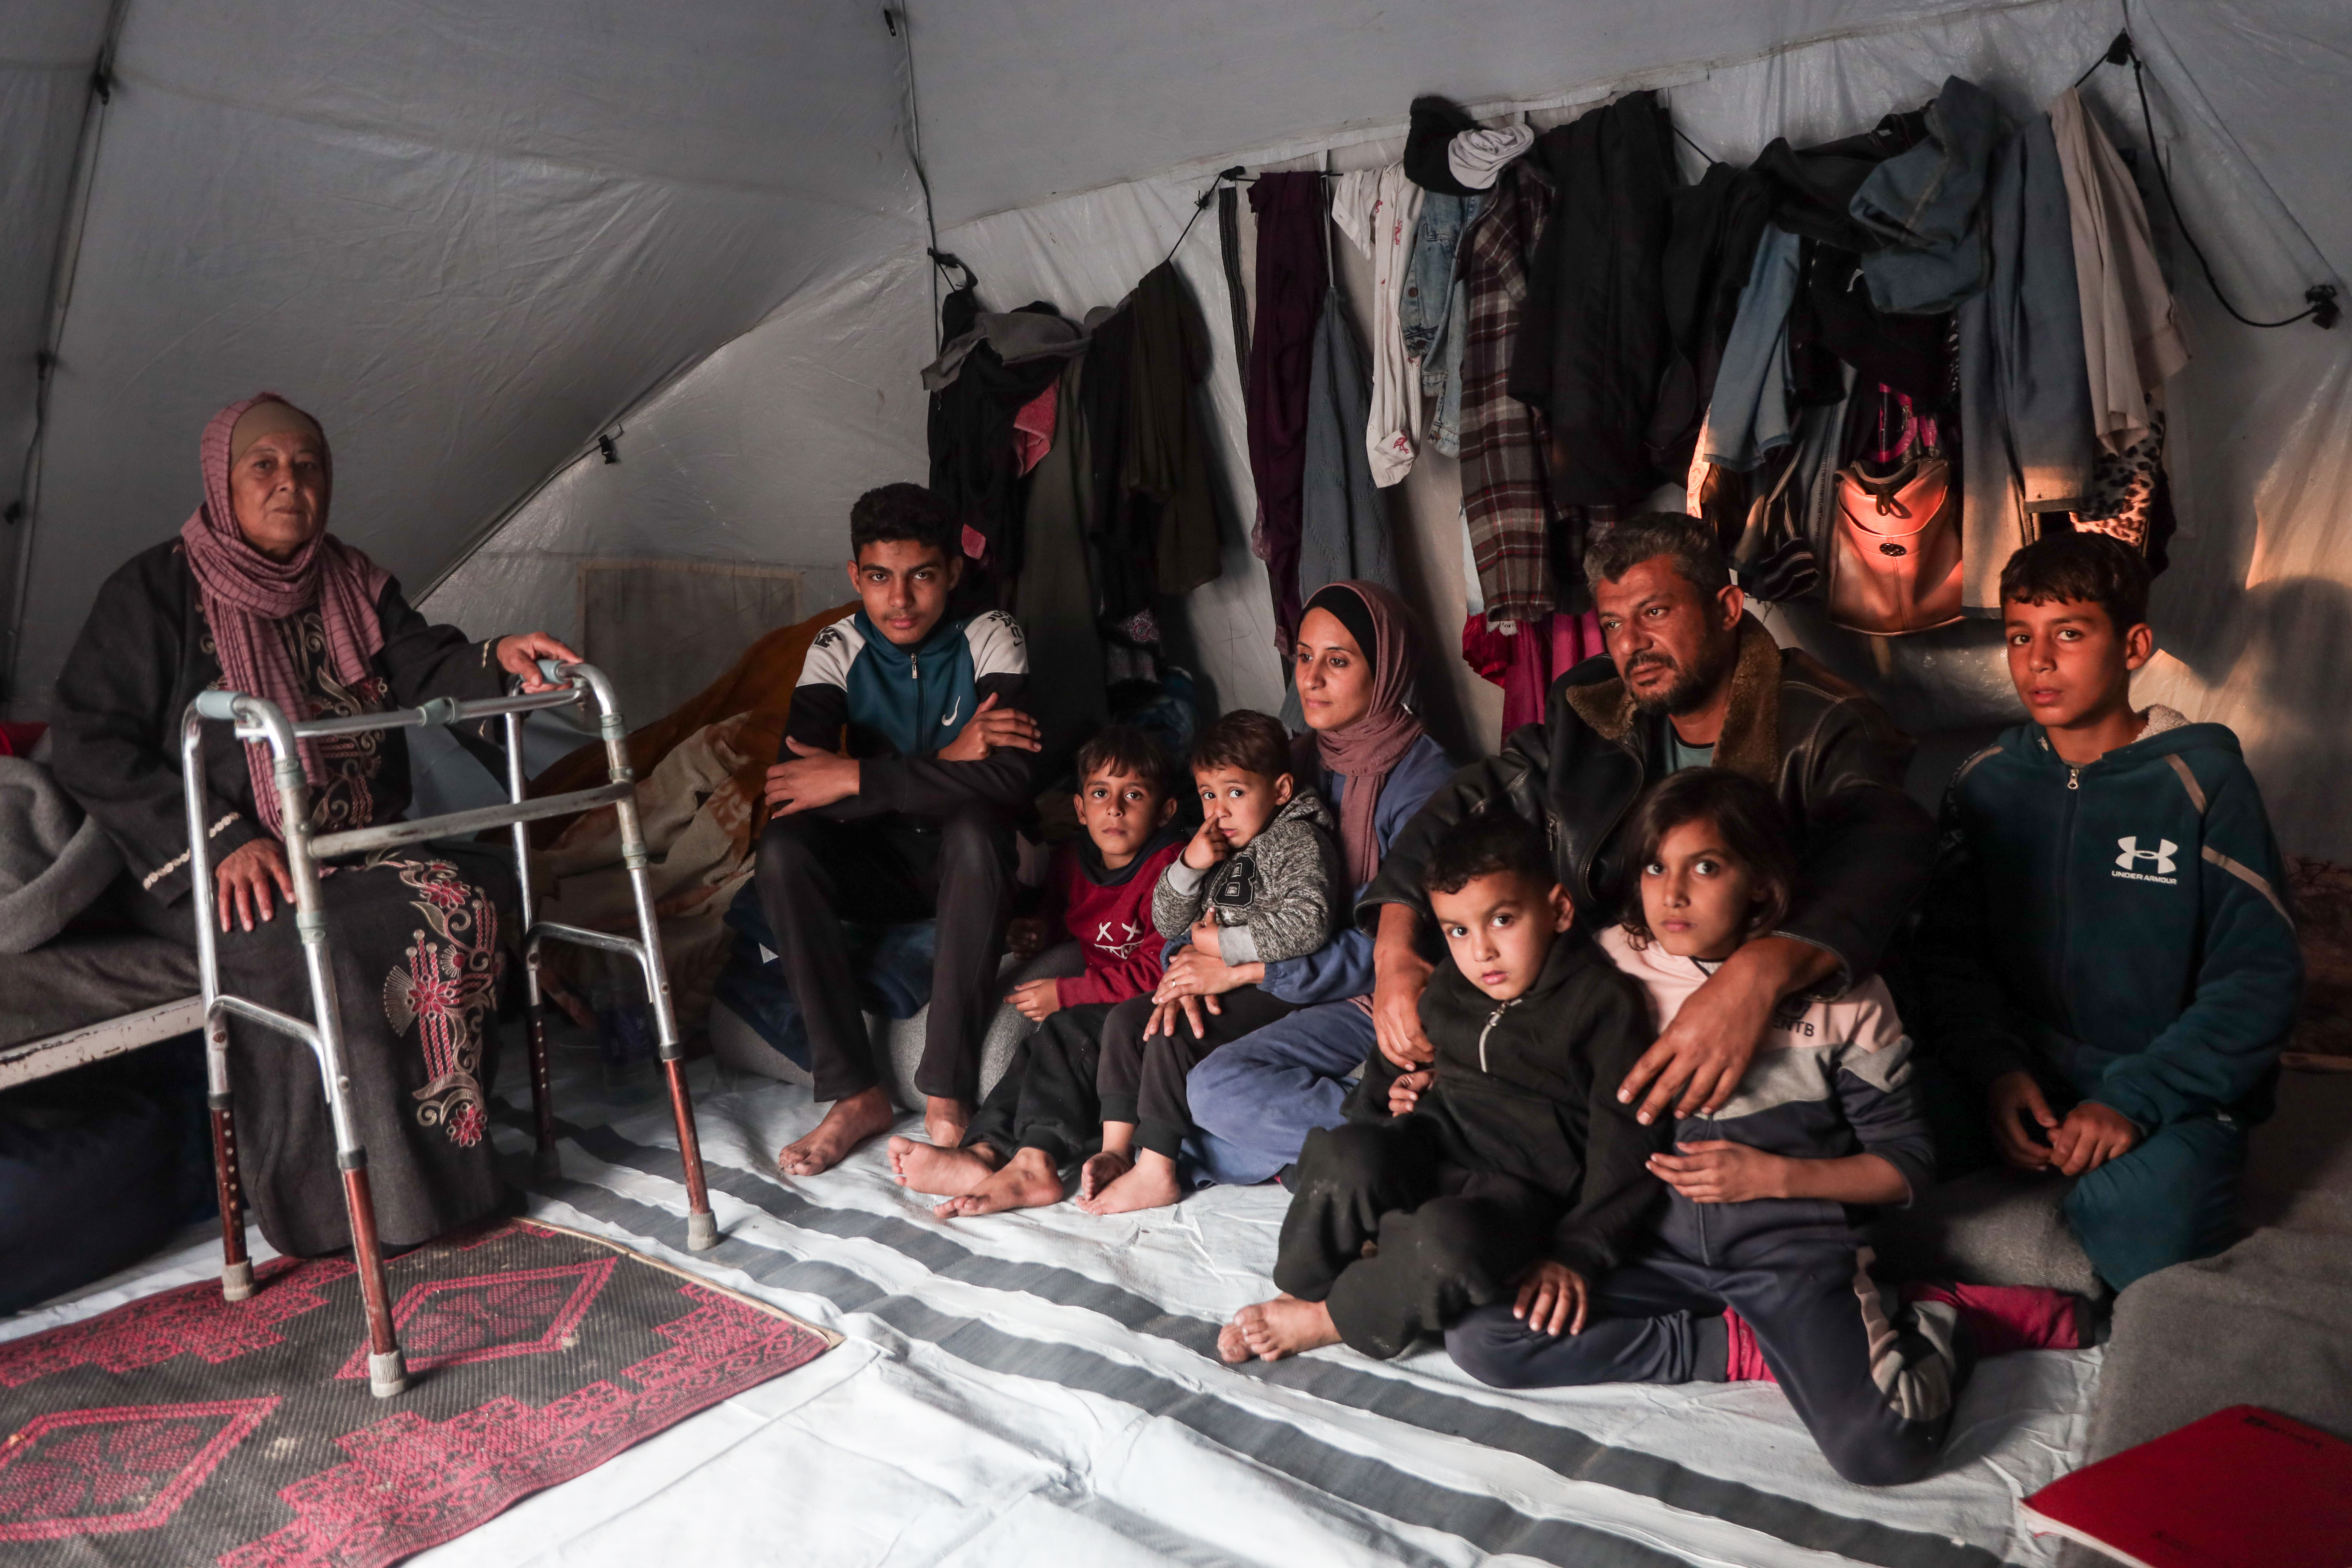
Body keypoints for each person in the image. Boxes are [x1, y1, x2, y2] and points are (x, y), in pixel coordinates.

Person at [49, 392, 581, 1257]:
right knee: (323, 939)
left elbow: (424, 664)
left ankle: (446, 1178)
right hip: (207, 857)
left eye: (308, 466)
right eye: (263, 465)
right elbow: (88, 742)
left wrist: (497, 660)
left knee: (476, 890)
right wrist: (221, 840)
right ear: (221, 483)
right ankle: (337, 1205)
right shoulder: (152, 592)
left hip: (344, 845)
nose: (289, 483)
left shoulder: (354, 581)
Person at [1446, 770, 1971, 1488]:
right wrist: (1430, 1081)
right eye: (1654, 867)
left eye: (1705, 867)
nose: (1671, 894)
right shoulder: (1610, 962)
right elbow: (1511, 1038)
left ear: (1759, 882)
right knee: (1485, 1336)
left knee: (1884, 1449)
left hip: (1786, 1257)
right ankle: (1722, 1346)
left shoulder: (1846, 996)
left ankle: (1940, 1322)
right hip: (1651, 1249)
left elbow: (1907, 1164)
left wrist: (1774, 1176)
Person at [1359, 512, 1935, 1132]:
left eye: (1654, 612)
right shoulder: (1592, 707)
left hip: (1753, 1016)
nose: (1631, 643)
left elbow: (1883, 851)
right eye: (1612, 623)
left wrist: (1756, 974)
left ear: (1727, 608)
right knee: (1398, 1093)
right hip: (1604, 993)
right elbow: (1466, 802)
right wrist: (1393, 950)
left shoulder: (1828, 722)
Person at [1914, 533, 2302, 1291]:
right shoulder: (1985, 782)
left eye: (2068, 634)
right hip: (2021, 1075)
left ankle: (2069, 1245)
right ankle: (2046, 1243)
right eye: (2019, 637)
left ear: (2133, 646)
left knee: (2145, 1220)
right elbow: (1948, 958)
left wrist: (2132, 1099)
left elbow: (2257, 978)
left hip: (2165, 1086)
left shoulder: (2202, 781)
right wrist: (1995, 1071)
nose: (2037, 662)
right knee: (1857, 1137)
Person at [1219, 808, 1661, 1364]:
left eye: (1502, 920)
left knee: (1445, 1241)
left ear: (1557, 909)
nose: (1481, 951)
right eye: (1458, 930)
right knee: (1344, 1152)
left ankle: (1334, 1317)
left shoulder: (1603, 1004)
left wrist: (1581, 1251)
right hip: (1434, 1149)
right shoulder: (1453, 982)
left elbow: (1626, 1145)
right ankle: (1305, 1287)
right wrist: (1384, 1117)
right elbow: (1390, 1066)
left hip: (1518, 1195)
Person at [759, 483, 1044, 1176]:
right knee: (784, 850)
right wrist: (947, 762)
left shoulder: (990, 634)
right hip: (880, 864)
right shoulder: (837, 647)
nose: (900, 600)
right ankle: (855, 1094)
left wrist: (854, 778)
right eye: (880, 577)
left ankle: (946, 1094)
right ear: (856, 576)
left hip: (972, 865)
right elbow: (793, 794)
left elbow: (1010, 782)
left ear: (953, 570)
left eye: (921, 575)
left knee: (975, 825)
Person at [1184, 581, 1457, 1186]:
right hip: (1296, 979)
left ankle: (1409, 1136)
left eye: (1337, 661)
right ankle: (1342, 1136)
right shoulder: (1296, 760)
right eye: (1304, 656)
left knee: (1213, 1093)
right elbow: (1231, 876)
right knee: (1176, 1110)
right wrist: (1187, 958)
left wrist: (1245, 967)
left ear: (1384, 669)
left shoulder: (1427, 782)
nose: (1309, 679)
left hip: (1374, 995)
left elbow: (1384, 947)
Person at [890, 724, 1186, 1216]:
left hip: (1146, 1010)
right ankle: (984, 1152)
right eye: (1100, 793)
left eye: (1134, 795)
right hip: (1101, 1000)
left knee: (1066, 1033)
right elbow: (1062, 911)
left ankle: (1037, 1161)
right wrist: (1040, 931)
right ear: (1080, 809)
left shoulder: (1171, 870)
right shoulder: (1073, 860)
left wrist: (1069, 993)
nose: (1115, 808)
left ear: (1166, 811)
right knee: (1032, 1053)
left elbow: (1161, 973)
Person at [1079, 710, 1343, 1215]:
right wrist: (1190, 865)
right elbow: (1165, 919)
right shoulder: (1219, 845)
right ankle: (1117, 1149)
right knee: (1126, 1021)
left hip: (1274, 989)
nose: (1219, 811)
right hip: (1211, 977)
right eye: (1207, 794)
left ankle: (1158, 1169)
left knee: (1174, 1032)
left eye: (1235, 792)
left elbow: (1308, 923)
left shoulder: (1299, 841)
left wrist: (1222, 947)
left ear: (1281, 790)